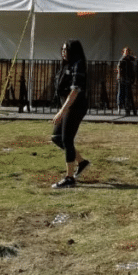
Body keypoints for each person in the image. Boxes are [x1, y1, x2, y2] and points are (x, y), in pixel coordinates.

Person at [50, 40, 90, 188]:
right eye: (62, 49)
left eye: (66, 50)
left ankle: (69, 178)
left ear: (74, 51)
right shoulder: (66, 64)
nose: (63, 52)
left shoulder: (78, 64)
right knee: (56, 137)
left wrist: (62, 110)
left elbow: (75, 90)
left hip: (76, 106)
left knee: (67, 139)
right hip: (68, 105)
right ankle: (81, 162)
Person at [117, 46, 137, 115]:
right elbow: (119, 68)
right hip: (123, 78)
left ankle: (128, 108)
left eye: (128, 51)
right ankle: (121, 106)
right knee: (121, 93)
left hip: (128, 78)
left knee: (128, 94)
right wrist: (120, 76)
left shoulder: (129, 59)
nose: (127, 53)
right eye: (126, 51)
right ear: (123, 52)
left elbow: (133, 60)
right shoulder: (123, 59)